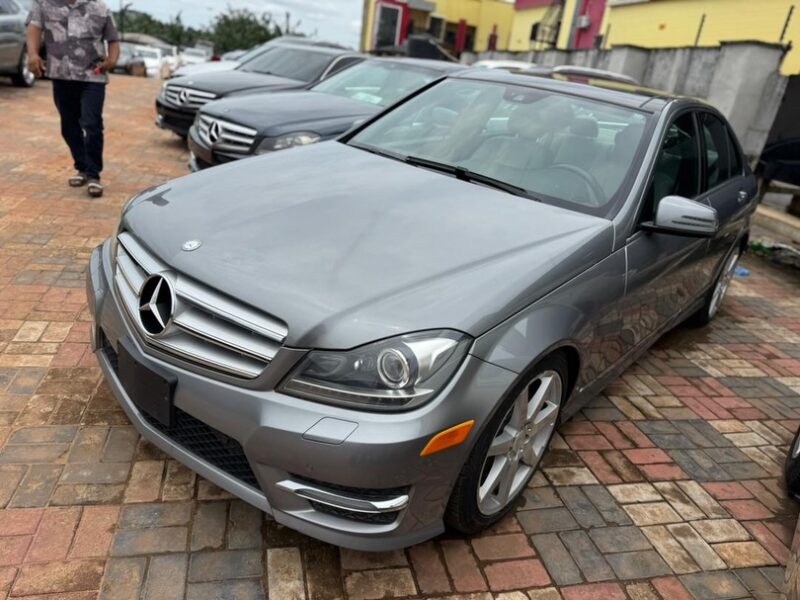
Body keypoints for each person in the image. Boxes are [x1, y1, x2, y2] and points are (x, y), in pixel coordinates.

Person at [26, 0, 120, 198]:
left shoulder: (100, 8)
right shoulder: (43, 4)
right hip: (61, 75)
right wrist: (33, 54)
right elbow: (34, 27)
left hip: (93, 76)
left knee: (92, 122)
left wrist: (112, 60)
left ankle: (94, 175)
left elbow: (112, 38)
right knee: (68, 126)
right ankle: (82, 167)